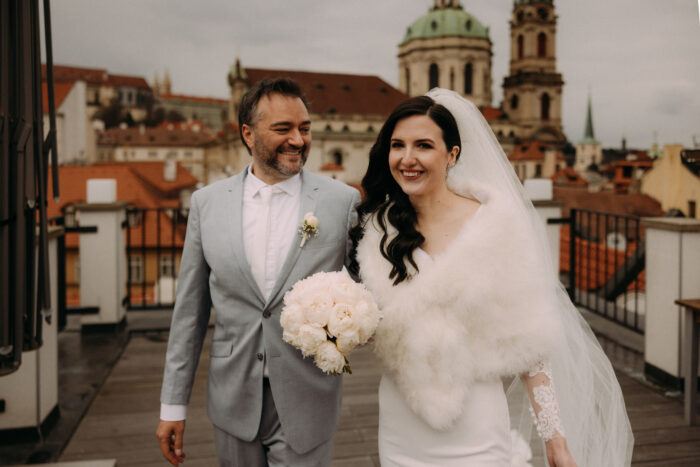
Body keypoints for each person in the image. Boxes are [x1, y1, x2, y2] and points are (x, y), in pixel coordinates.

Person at [350, 89, 633, 466]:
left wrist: (555, 439)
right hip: (402, 426)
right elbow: (375, 325)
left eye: (423, 146)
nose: (407, 158)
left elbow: (530, 343)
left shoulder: (494, 227)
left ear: (452, 155)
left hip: (477, 427)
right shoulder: (378, 231)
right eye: (397, 145)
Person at [156, 78, 361, 467]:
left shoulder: (342, 201)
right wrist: (172, 404)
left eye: (304, 128)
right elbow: (189, 314)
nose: (298, 140)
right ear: (248, 134)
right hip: (232, 397)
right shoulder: (206, 204)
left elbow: (367, 290)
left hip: (308, 396)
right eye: (283, 129)